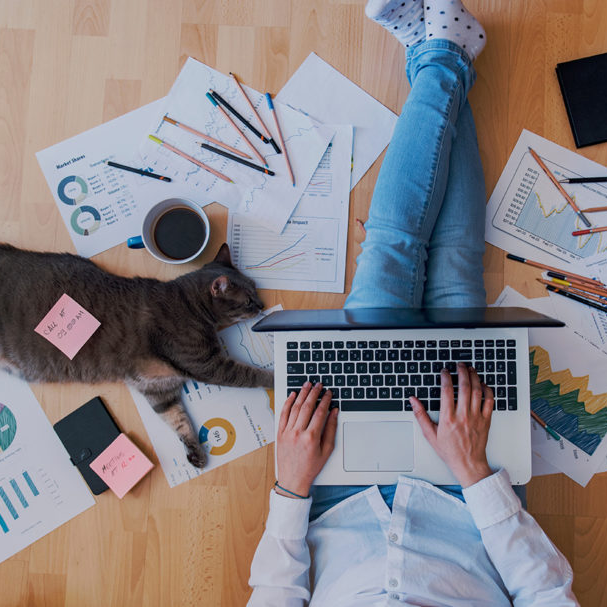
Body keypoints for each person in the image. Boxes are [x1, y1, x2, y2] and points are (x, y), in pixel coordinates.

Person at [247, 1, 578, 604]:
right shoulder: (471, 482)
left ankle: (443, 54)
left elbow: (275, 592)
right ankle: (442, 55)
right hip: (466, 498)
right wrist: (476, 473)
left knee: (394, 254)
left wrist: (291, 489)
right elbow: (546, 592)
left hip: (332, 491)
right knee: (449, 265)